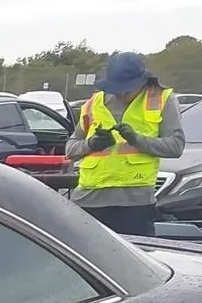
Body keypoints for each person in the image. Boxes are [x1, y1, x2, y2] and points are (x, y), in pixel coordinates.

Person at [66, 51, 186, 237]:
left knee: (134, 254)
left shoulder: (161, 99)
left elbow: (175, 146)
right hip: (89, 200)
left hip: (134, 203)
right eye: (116, 89)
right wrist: (91, 144)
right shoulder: (94, 103)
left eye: (127, 90)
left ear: (142, 82)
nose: (121, 95)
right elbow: (70, 149)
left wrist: (137, 139)